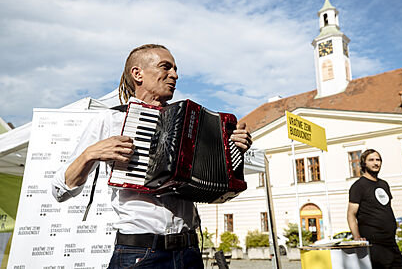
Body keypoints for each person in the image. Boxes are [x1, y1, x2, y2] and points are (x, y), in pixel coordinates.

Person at [51, 44, 252, 268]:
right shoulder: (110, 120)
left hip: (189, 253)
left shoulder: (190, 123)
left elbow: (219, 189)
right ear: (138, 74)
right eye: (165, 67)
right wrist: (89, 155)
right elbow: (60, 190)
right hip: (140, 253)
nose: (174, 75)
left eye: (176, 69)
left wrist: (231, 152)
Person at [347, 149, 402, 269]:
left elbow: (386, 208)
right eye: (371, 160)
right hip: (374, 243)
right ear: (364, 163)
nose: (375, 163)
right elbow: (351, 214)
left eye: (378, 160)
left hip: (391, 241)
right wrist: (357, 237)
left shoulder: (384, 184)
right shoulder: (358, 186)